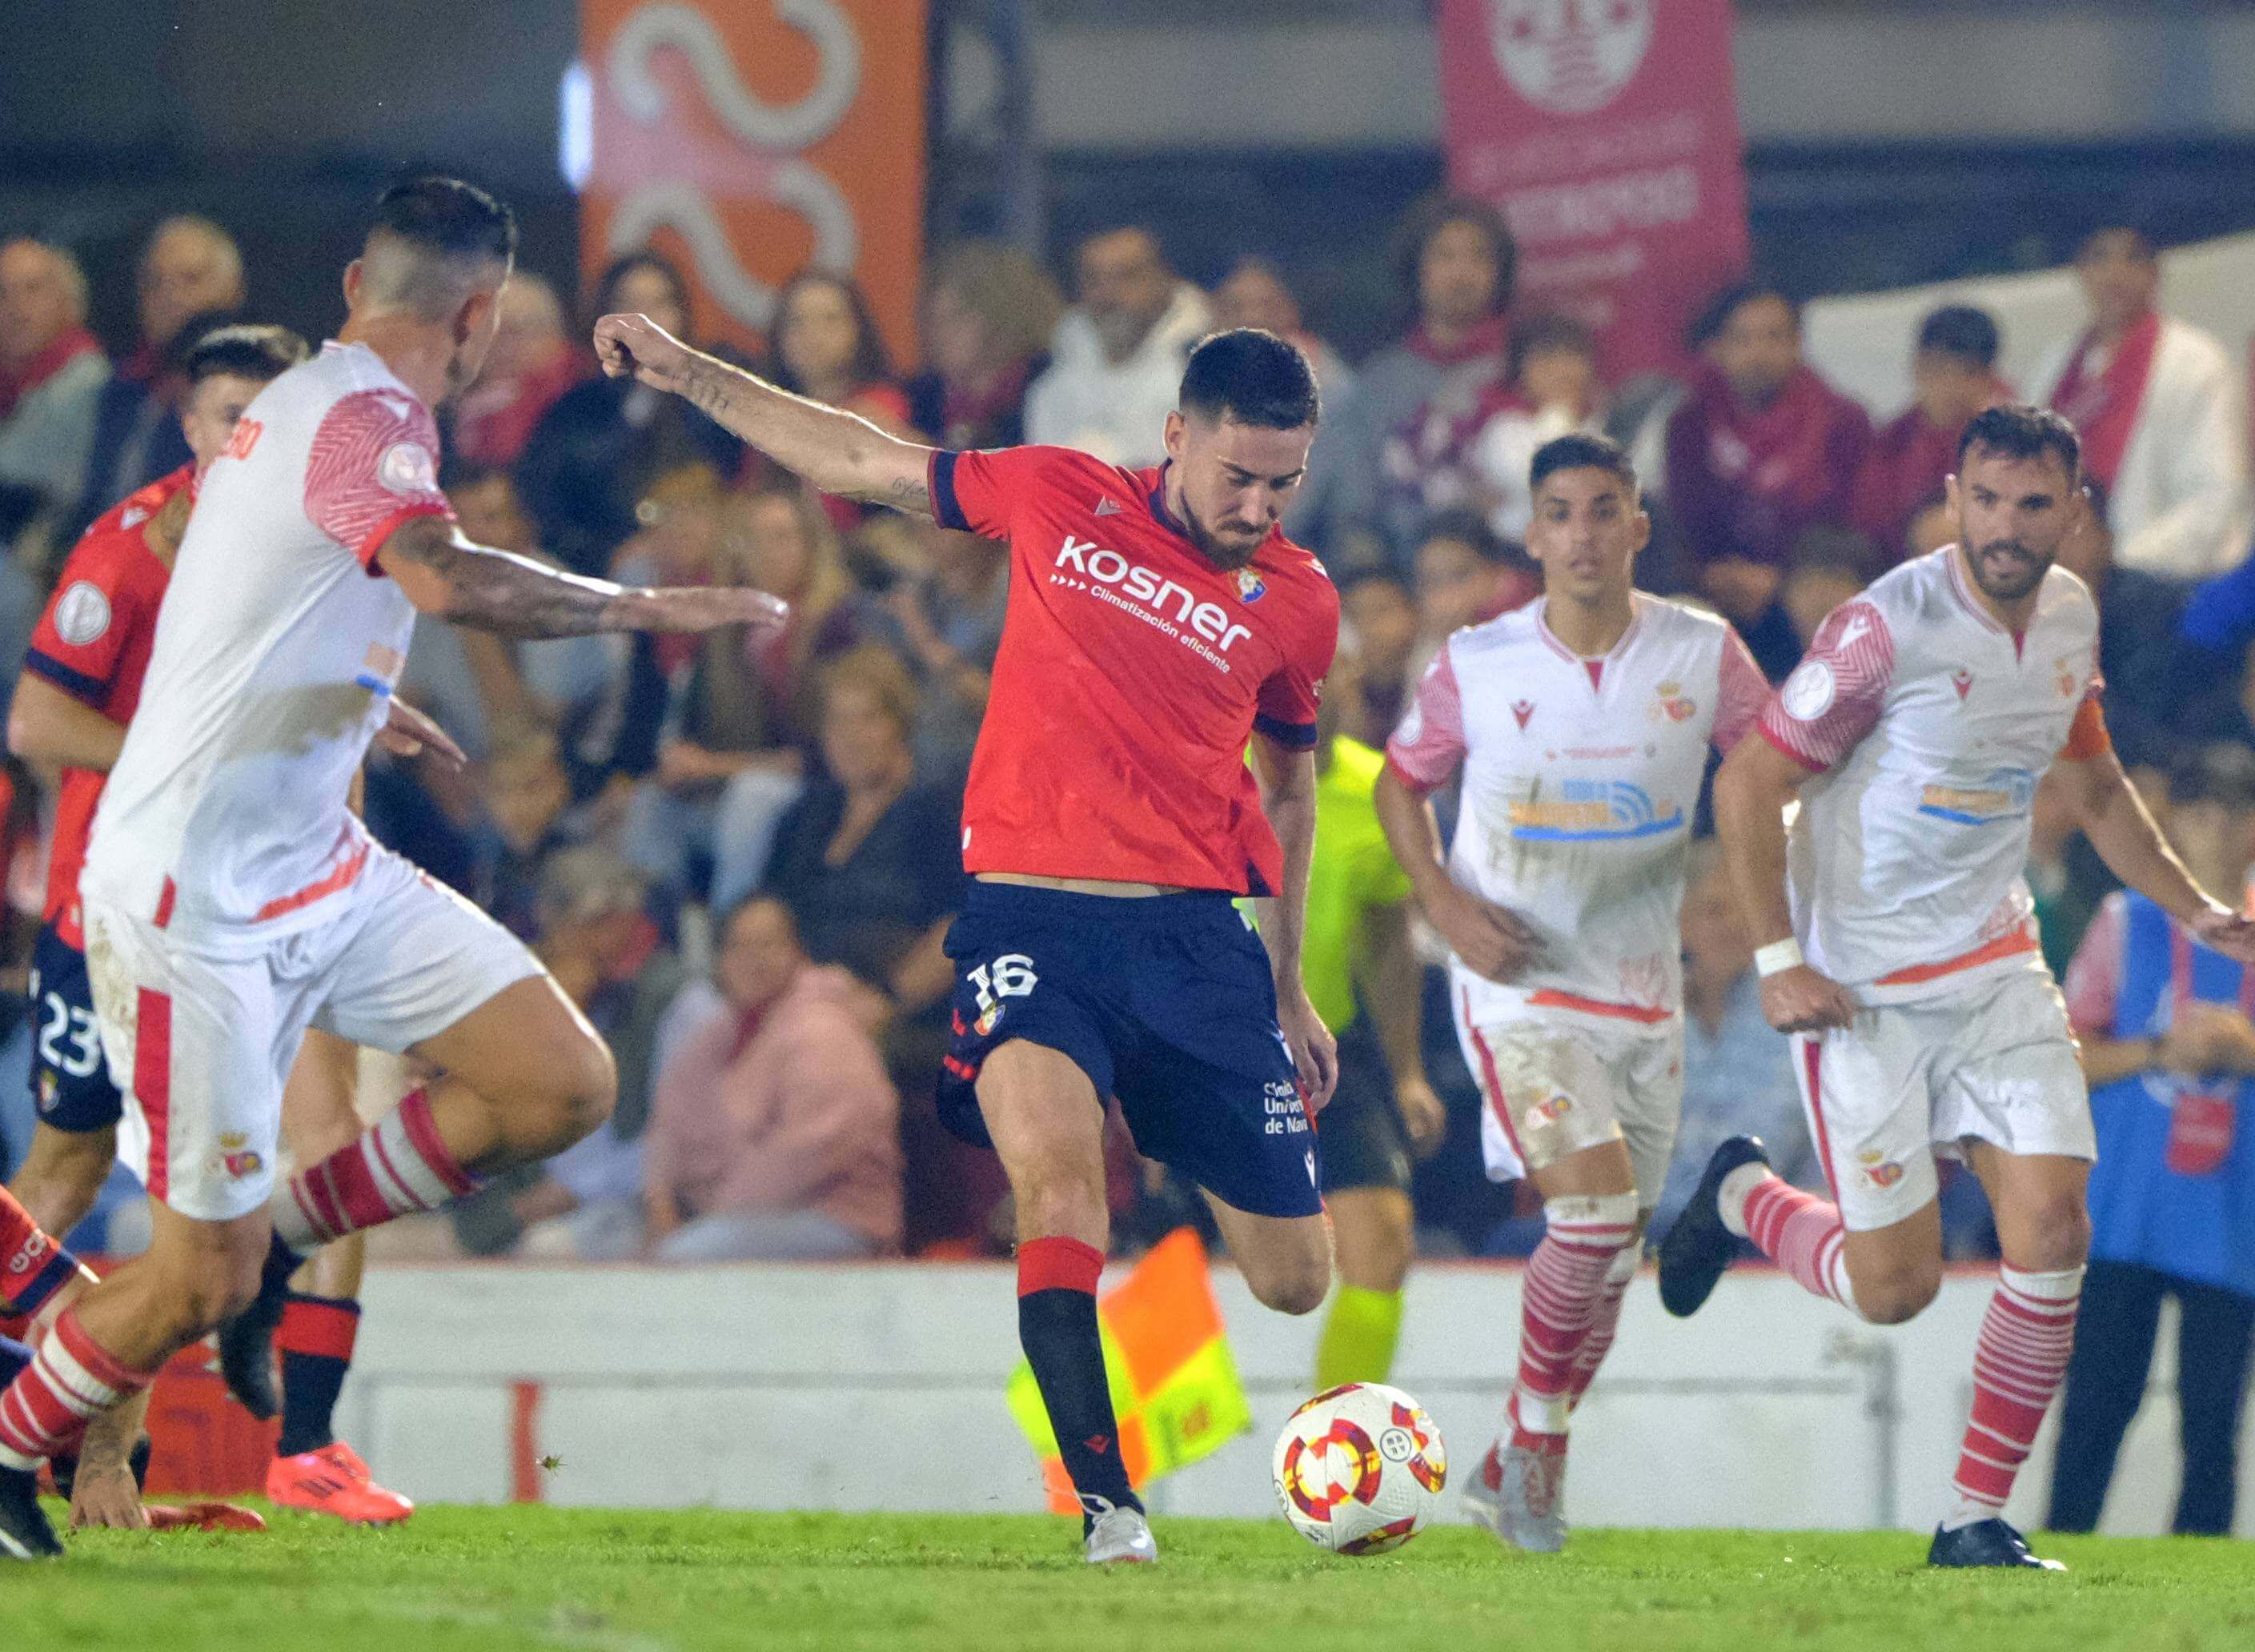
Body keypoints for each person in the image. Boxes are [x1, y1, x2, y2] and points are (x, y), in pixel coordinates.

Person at [0, 176, 791, 1562]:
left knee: (559, 1082)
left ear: (360, 275)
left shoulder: (306, 406)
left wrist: (363, 705)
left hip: (316, 856)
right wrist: (647, 603)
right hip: (196, 902)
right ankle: (20, 1425)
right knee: (191, 1274)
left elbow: (256, 607)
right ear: (480, 314)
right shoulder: (358, 416)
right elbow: (448, 577)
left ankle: (284, 1243)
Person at [590, 310, 1341, 1565]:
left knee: (1295, 1278)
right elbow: (853, 457)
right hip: (1031, 918)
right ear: (1175, 438)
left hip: (1195, 940)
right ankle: (1110, 1506)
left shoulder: (1300, 604)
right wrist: (685, 371)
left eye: (1284, 483)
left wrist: (1289, 982)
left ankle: (1166, 1173)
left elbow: (1296, 787)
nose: (1259, 504)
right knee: (1051, 1181)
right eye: (1239, 476)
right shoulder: (1058, 493)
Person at [1665, 404, 2255, 1570]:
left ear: (2070, 513)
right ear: (1952, 496)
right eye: (1983, 500)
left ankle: (1971, 1521)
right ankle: (1743, 1196)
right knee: (1893, 1293)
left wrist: (2194, 905)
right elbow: (1746, 785)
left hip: (1996, 969)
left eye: (2031, 504)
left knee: (2052, 1227)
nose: (2003, 526)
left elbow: (2092, 793)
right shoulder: (1883, 629)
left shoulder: (2072, 621)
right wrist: (1782, 961)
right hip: (1863, 988)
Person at [5, 321, 424, 1527]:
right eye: (222, 419)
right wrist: (196, 765)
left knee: (319, 1147)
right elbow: (39, 726)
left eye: (268, 414)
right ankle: (85, 1459)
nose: (245, 439)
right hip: (121, 912)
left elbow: (330, 715)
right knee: (73, 1180)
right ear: (192, 430)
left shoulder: (333, 539)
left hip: (280, 901)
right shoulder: (134, 552)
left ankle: (300, 1442)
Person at [1376, 431, 1768, 1554]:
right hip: (1520, 988)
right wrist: (1446, 909)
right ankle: (1540, 1454)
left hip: (1644, 992)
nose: (1584, 533)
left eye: (1606, 510)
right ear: (1535, 533)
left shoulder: (1703, 653)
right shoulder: (1479, 660)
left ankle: (1507, 1453)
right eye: (1561, 513)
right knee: (1589, 1218)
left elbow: (1770, 771)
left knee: (1608, 1266)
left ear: (1637, 526)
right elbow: (1403, 787)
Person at [2048, 744, 2255, 1537]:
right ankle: (2055, 1556)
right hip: (2126, 1210)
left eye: (2236, 813)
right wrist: (2162, 1051)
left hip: (2229, 1218)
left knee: (2212, 1429)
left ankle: (2201, 1600)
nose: (2218, 831)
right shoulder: (2125, 920)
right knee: (2096, 1410)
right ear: (2176, 819)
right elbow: (2067, 1055)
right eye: (2203, 811)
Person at [1304, 650, 1444, 1391]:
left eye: (1327, 675)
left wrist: (1410, 1072)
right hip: (1211, 1049)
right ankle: (1086, 1457)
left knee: (1382, 1244)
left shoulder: (1374, 789)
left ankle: (1329, 1450)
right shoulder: (1201, 770)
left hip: (1325, 1046)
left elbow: (1390, 947)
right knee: (1191, 1256)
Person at [643, 895, 902, 1261]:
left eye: (768, 944)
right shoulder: (718, 1033)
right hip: (724, 1216)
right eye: (739, 947)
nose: (754, 961)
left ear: (798, 952)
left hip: (831, 1220)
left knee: (686, 1255)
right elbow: (666, 1129)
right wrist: (661, 1205)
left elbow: (807, 1155)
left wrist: (714, 1213)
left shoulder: (824, 1029)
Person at [1663, 281, 1872, 680]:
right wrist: (1714, 574)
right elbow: (1682, 520)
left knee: (1824, 593)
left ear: (1797, 342)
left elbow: (1855, 526)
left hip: (1808, 578)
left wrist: (1778, 578)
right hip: (1719, 587)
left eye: (1773, 337)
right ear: (1719, 348)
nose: (1758, 353)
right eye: (1742, 339)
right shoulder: (1688, 425)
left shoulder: (1842, 420)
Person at [2032, 224, 2250, 581]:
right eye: (2100, 257)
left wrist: (2116, 560)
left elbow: (2217, 501)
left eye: (2131, 258)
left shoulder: (2197, 362)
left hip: (2158, 579)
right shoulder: (2057, 364)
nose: (2115, 274)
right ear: (2080, 271)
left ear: (2154, 272)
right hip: (2065, 576)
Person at [512, 250, 743, 577]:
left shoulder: (718, 406)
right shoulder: (572, 413)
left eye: (659, 304)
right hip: (603, 582)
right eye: (630, 306)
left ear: (682, 315)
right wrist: (609, 554)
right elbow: (544, 512)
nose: (645, 322)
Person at [1337, 195, 1516, 568]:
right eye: (1445, 257)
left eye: (1479, 257)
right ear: (1416, 270)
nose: (1461, 273)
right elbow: (1357, 509)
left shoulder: (1526, 366)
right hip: (1404, 583)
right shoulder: (1380, 382)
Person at [1655, 846, 1820, 1240]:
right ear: (1681, 920)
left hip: (1773, 1219)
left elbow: (1779, 1140)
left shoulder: (1795, 1010)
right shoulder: (1649, 1015)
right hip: (1658, 1219)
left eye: (1746, 909)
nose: (1734, 925)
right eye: (1714, 910)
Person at [74, 217, 249, 534]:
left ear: (233, 291)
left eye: (190, 280)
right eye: (155, 283)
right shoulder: (120, 392)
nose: (170, 296)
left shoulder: (258, 392)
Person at [1024, 227, 1211, 469]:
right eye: (1094, 279)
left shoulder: (1208, 366)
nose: (1109, 294)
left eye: (1127, 276)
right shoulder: (1049, 375)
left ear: (1164, 279)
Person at [1210, 258, 1358, 553]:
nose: (1251, 318)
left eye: (1266, 305)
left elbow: (1313, 497)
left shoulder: (1330, 385)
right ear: (1214, 315)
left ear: (1291, 311)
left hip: (1295, 546)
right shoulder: (1191, 373)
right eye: (1236, 307)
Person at [1848, 305, 2009, 564]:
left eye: (1968, 373)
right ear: (1917, 367)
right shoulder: (1893, 442)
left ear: (1990, 376)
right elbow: (1868, 525)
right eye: (1938, 370)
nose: (1951, 386)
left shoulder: (2011, 442)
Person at [909, 241, 1063, 453]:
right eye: (932, 319)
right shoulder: (920, 398)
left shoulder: (1047, 385)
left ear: (1001, 316)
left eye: (956, 316)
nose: (939, 332)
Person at [0, 240, 110, 513]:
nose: (17, 309)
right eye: (2, 294)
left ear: (67, 302)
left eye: (34, 290)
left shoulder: (88, 381)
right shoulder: (13, 384)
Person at [449, 272, 581, 469]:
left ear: (552, 336)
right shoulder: (453, 397)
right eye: (488, 335)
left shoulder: (572, 398)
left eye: (517, 333)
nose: (502, 348)